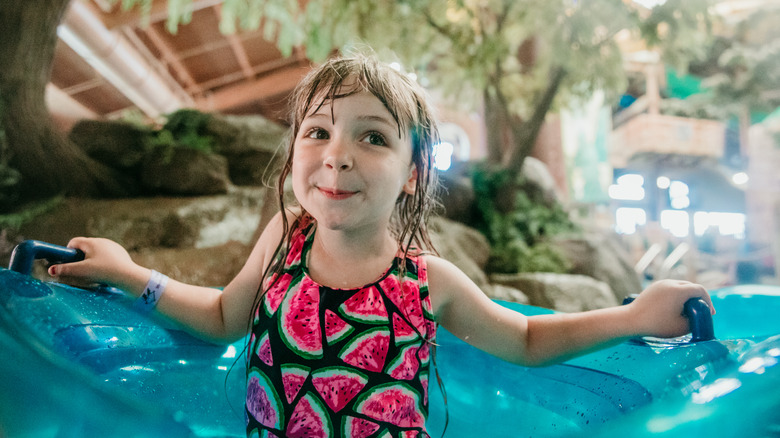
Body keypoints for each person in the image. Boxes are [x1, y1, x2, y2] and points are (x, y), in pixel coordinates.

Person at [48, 53, 713, 438]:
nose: (336, 158)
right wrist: (133, 275)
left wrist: (632, 318)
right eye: (318, 133)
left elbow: (527, 341)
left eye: (372, 138)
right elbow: (225, 316)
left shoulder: (428, 281)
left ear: (413, 173)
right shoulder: (285, 238)